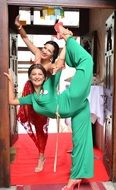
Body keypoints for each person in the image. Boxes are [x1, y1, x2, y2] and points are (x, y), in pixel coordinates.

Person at [5, 23, 94, 190]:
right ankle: (76, 176)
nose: (38, 76)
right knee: (80, 141)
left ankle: (67, 35)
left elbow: (60, 61)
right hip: (78, 109)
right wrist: (10, 81)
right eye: (34, 75)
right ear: (29, 77)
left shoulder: (51, 76)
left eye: (40, 74)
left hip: (71, 100)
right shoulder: (30, 97)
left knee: (87, 61)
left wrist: (68, 41)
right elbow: (12, 101)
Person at [15, 15, 66, 172]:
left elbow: (60, 62)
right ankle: (40, 153)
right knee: (25, 118)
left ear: (52, 55)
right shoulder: (37, 54)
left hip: (41, 97)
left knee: (40, 127)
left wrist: (66, 39)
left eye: (49, 50)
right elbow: (25, 38)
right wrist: (18, 26)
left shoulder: (51, 66)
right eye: (45, 47)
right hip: (27, 91)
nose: (45, 51)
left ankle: (41, 156)